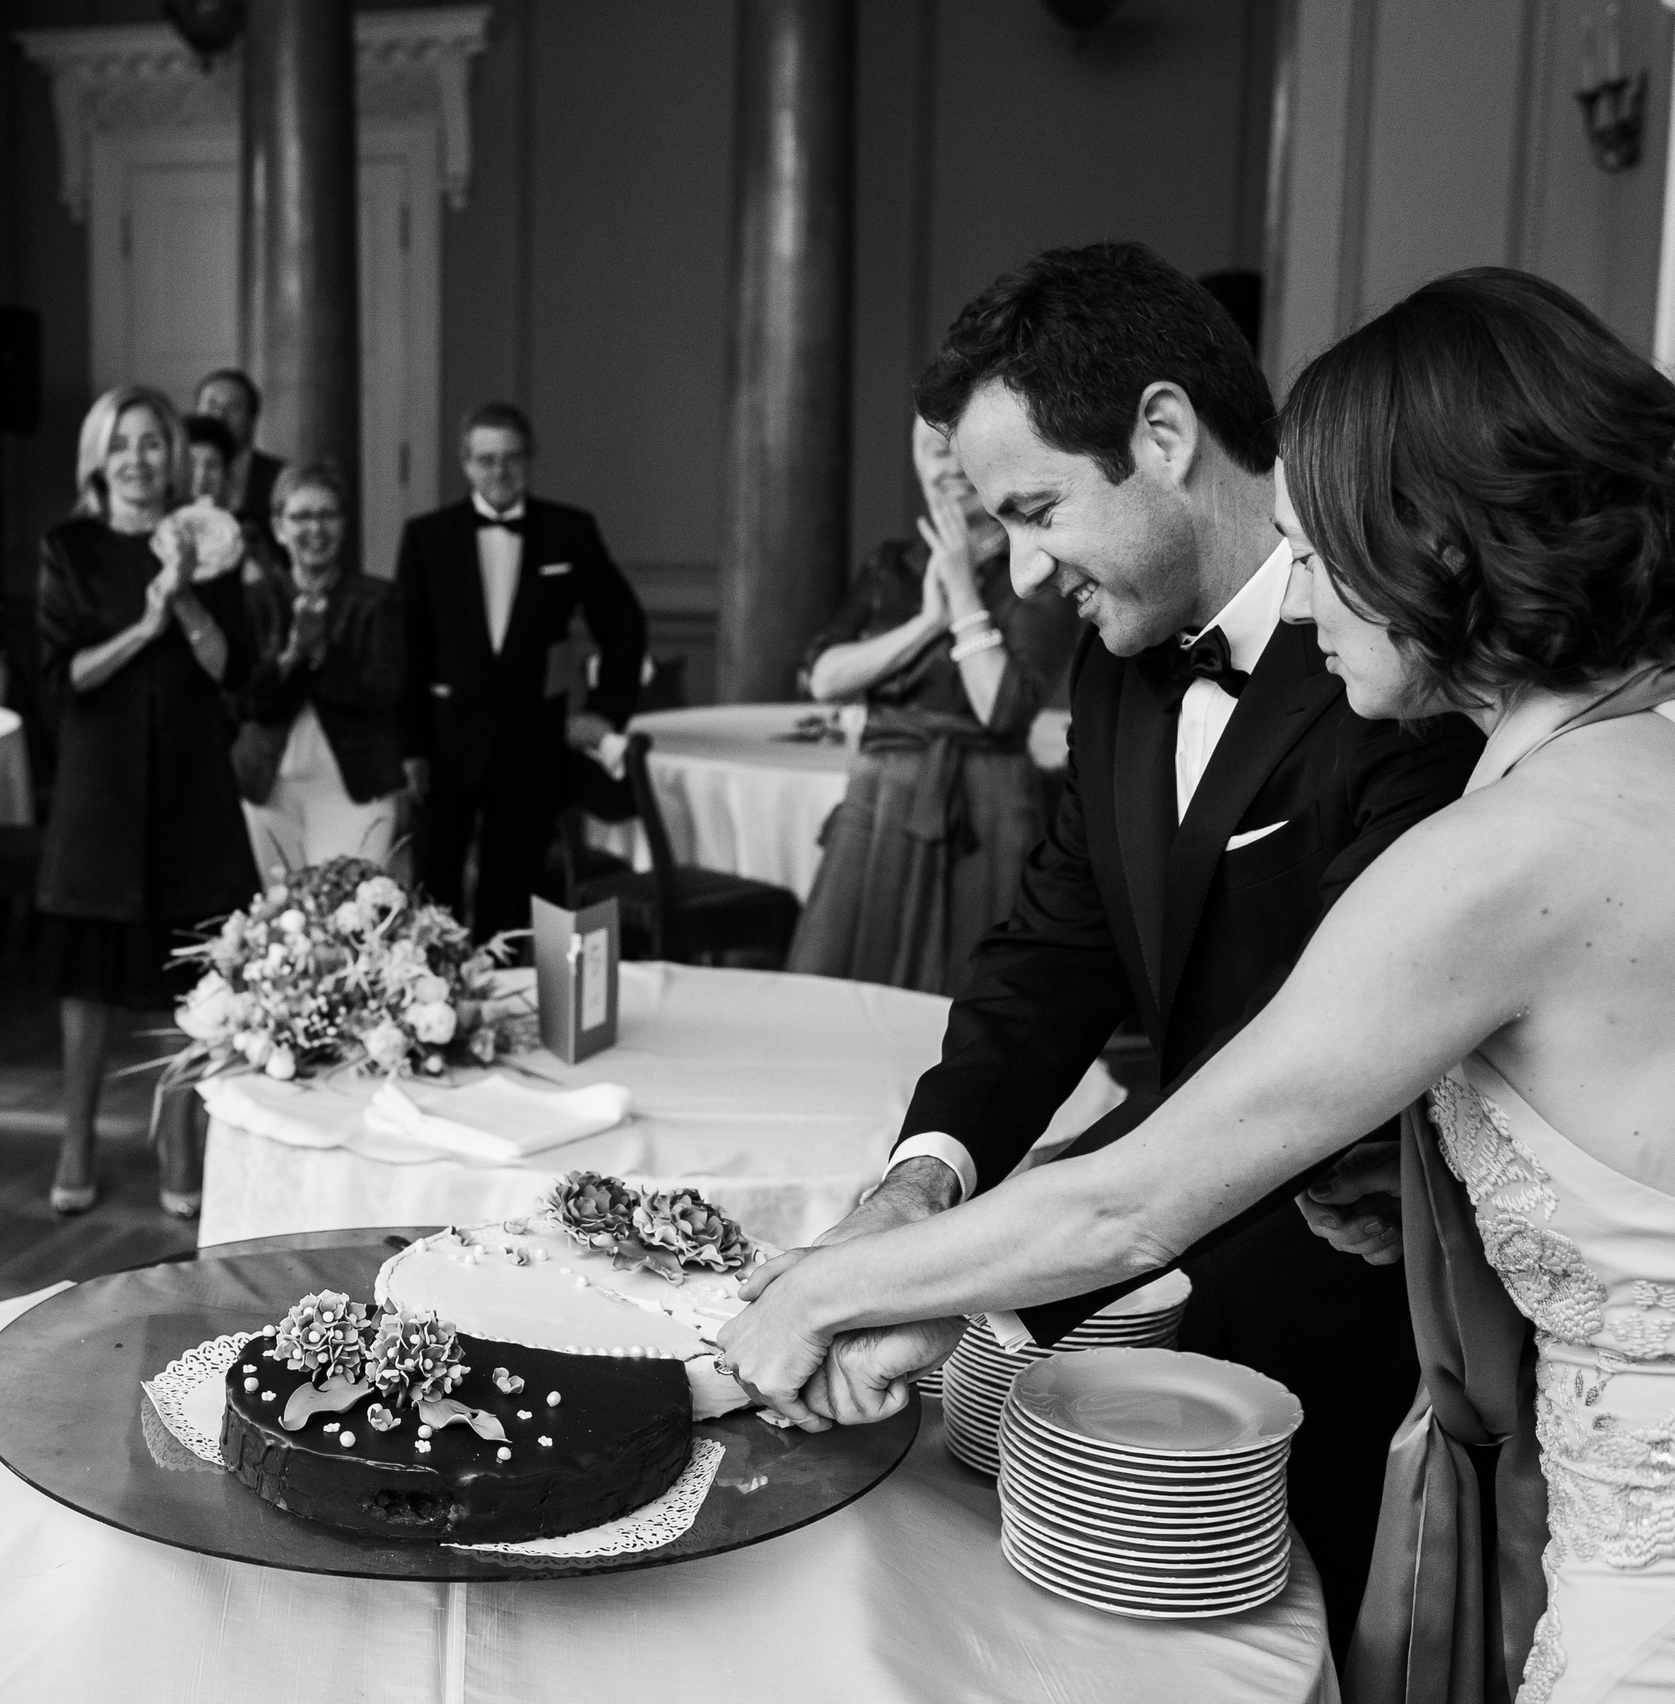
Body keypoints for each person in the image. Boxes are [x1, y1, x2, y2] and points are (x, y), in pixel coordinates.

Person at [717, 267, 1675, 1704]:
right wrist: (924, 1205)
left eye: (1318, 542)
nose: (1307, 586)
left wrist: (833, 1291)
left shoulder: (1498, 844)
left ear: (1432, 547)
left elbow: (1139, 1198)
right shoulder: (1616, 761)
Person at [36, 384, 258, 1219]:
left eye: (151, 443)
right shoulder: (68, 548)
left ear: (174, 458)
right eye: (121, 443)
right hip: (99, 785)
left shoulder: (213, 542)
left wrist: (187, 590)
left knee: (191, 974)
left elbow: (231, 669)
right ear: (99, 457)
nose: (136, 458)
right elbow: (64, 677)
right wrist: (145, 621)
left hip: (193, 781)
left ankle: (180, 1144)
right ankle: (77, 1140)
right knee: (88, 977)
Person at [783, 415, 1082, 992]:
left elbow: (1003, 709)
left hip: (985, 804)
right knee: (833, 989)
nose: (947, 466)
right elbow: (821, 678)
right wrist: (926, 623)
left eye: (958, 450)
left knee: (969, 995)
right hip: (877, 795)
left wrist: (963, 590)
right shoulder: (890, 564)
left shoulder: (1035, 567)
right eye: (931, 450)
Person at [395, 401, 647, 941]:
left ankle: (505, 994)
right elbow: (407, 649)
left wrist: (604, 713)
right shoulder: (427, 537)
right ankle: (432, 992)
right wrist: (410, 746)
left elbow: (624, 626)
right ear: (465, 463)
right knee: (432, 897)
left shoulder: (569, 531)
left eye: (511, 458)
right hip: (445, 743)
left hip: (532, 745)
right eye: (486, 459)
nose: (500, 471)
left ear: (529, 461)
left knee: (511, 901)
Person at [233, 462, 404, 875]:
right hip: (268, 789)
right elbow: (240, 701)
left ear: (344, 524)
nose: (315, 528)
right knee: (278, 910)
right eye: (301, 516)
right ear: (279, 527)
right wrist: (290, 656)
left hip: (356, 789)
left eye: (327, 515)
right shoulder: (254, 600)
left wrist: (323, 653)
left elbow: (385, 691)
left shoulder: (377, 599)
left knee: (351, 908)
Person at [193, 368, 284, 529]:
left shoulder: (280, 478)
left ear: (252, 418)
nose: (219, 416)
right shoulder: (176, 472)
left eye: (233, 407)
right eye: (211, 404)